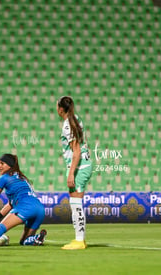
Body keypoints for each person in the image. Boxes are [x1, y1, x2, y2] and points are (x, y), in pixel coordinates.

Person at [0, 154, 47, 247]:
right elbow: (11, 203)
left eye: (2, 163)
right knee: (24, 241)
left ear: (10, 165)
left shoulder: (4, 177)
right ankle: (37, 238)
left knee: (1, 226)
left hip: (25, 207)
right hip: (39, 209)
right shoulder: (20, 177)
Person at [56, 96, 92, 250]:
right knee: (76, 202)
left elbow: (76, 151)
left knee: (75, 203)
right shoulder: (76, 118)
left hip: (78, 166)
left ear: (60, 109)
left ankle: (79, 240)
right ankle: (80, 239)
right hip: (84, 164)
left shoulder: (67, 125)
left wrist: (71, 174)